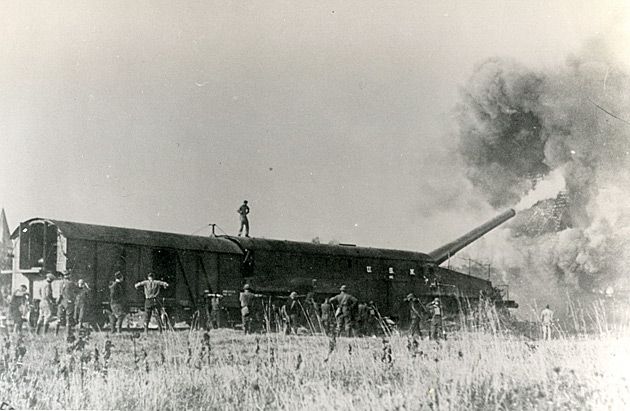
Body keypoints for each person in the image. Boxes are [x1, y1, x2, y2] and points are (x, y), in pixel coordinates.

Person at [56, 271, 76, 336]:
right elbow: (75, 291)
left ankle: (56, 333)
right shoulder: (71, 283)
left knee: (59, 317)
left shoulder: (61, 283)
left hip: (62, 301)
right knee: (69, 317)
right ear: (69, 275)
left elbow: (60, 293)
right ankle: (68, 333)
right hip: (68, 302)